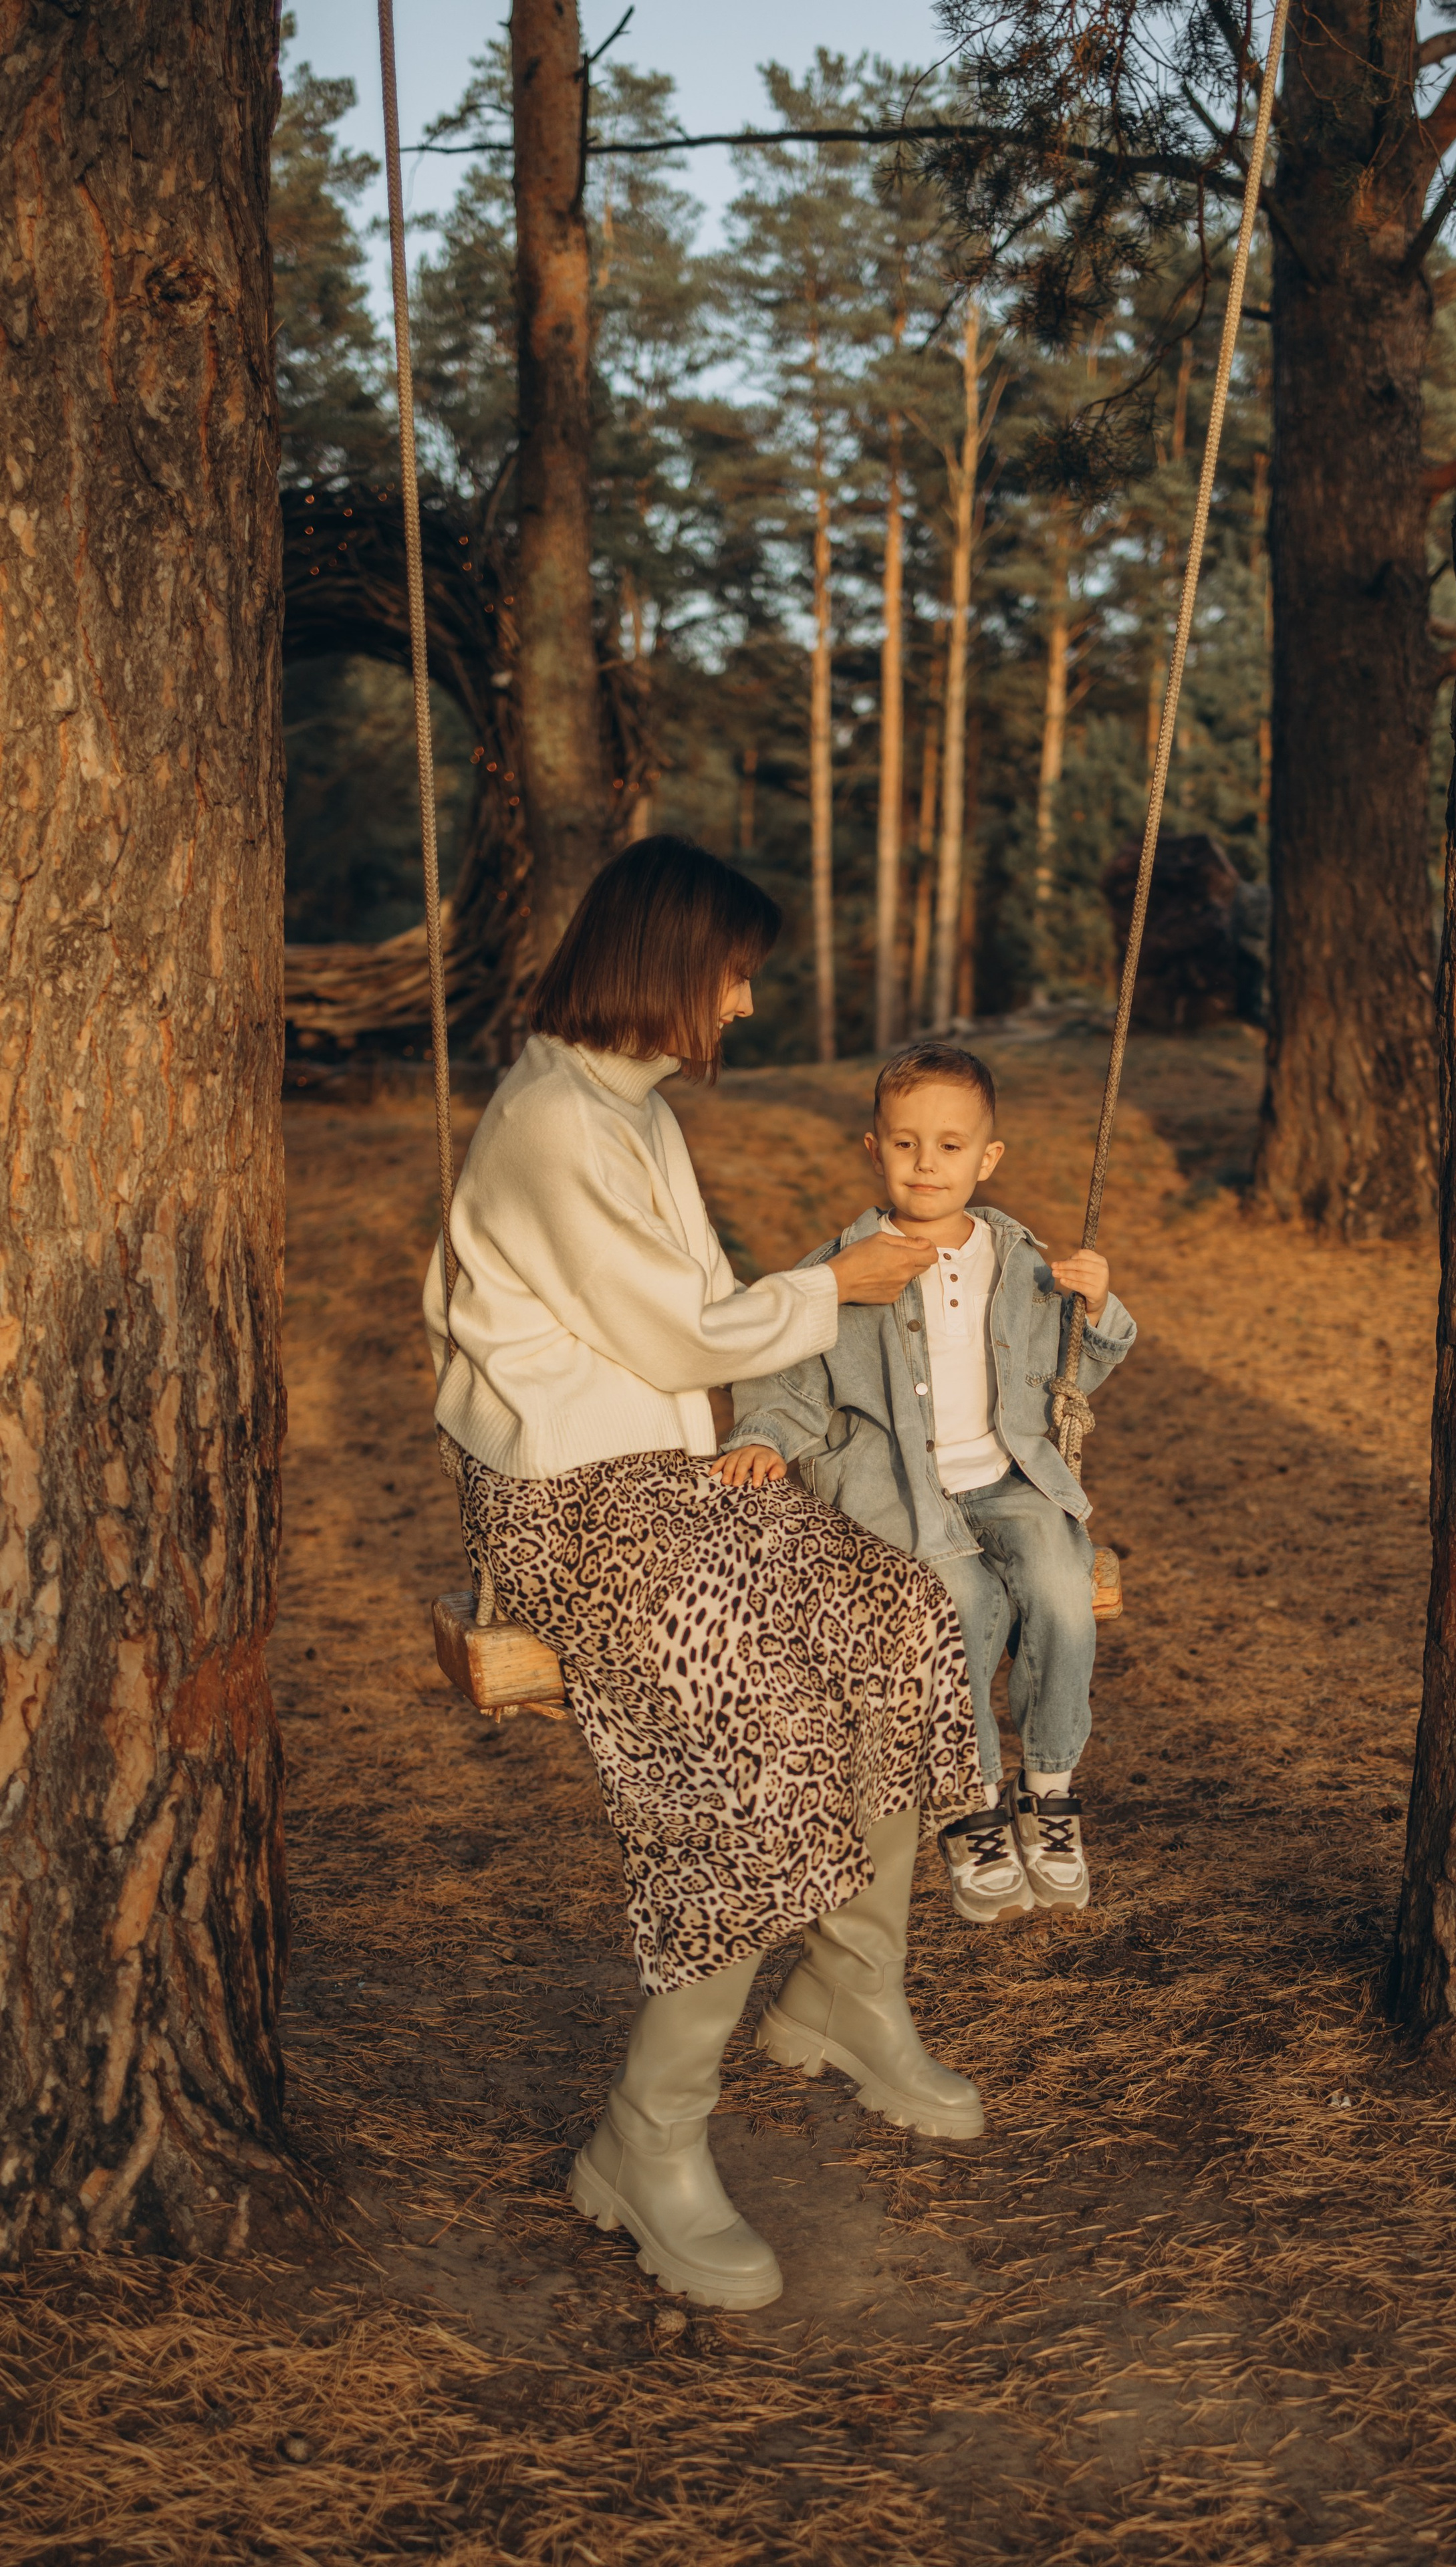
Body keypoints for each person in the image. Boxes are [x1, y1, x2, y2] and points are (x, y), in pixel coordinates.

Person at [424, 844, 983, 2316]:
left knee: (899, 1617)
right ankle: (648, 2135)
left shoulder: (633, 1104)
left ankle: (849, 1992)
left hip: (671, 1479)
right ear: (669, 964)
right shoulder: (554, 1120)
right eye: (732, 976)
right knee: (757, 1729)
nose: (740, 1004)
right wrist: (837, 1287)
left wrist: (815, 1323)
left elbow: (705, 1318)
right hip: (569, 1502)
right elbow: (681, 1332)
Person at [716, 1042, 1134, 1926]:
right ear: (875, 1150)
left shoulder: (1020, 1260)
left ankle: (1049, 1791)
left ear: (988, 1159)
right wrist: (762, 1438)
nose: (927, 1164)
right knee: (959, 1606)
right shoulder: (844, 1268)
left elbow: (1071, 1376)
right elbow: (792, 1380)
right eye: (905, 1144)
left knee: (1061, 1586)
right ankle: (970, 1806)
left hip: (1008, 1476)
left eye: (951, 1146)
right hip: (899, 1492)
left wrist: (1098, 1310)